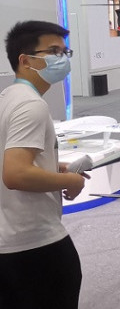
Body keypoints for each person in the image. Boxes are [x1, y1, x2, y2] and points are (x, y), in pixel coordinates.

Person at [0, 21, 89, 308]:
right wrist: (70, 180)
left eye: (65, 52)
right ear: (25, 60)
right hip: (34, 244)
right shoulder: (31, 105)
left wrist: (51, 166)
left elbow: (11, 158)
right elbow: (15, 173)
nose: (62, 59)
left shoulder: (8, 97)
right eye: (53, 51)